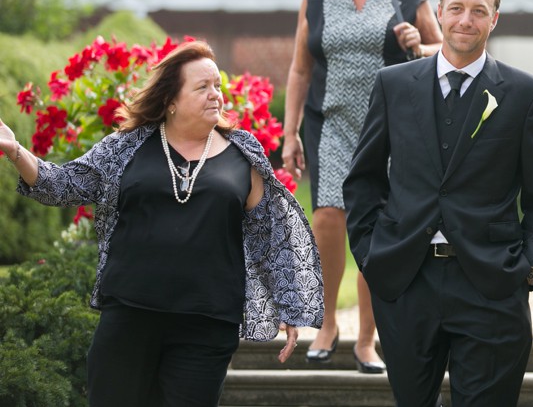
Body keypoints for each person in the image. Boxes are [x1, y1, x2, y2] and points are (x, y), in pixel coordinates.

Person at [0, 40, 324, 407]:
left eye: (217, 86)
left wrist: (288, 303)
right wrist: (15, 151)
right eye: (202, 87)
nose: (215, 95)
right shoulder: (127, 146)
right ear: (171, 99)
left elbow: (271, 231)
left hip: (207, 324)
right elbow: (65, 184)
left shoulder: (241, 151)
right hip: (130, 317)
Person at [343, 0, 533, 407]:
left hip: (491, 283)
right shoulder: (392, 85)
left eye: (478, 11)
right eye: (457, 8)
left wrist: (531, 266)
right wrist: (369, 253)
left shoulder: (525, 95)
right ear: (439, 12)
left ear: (494, 19)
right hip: (407, 278)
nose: (466, 20)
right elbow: (364, 178)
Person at [281, 0, 443, 372]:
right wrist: (290, 132)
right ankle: (328, 323)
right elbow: (299, 68)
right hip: (330, 123)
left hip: (390, 127)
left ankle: (367, 339)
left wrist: (420, 40)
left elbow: (442, 49)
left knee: (378, 227)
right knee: (329, 217)